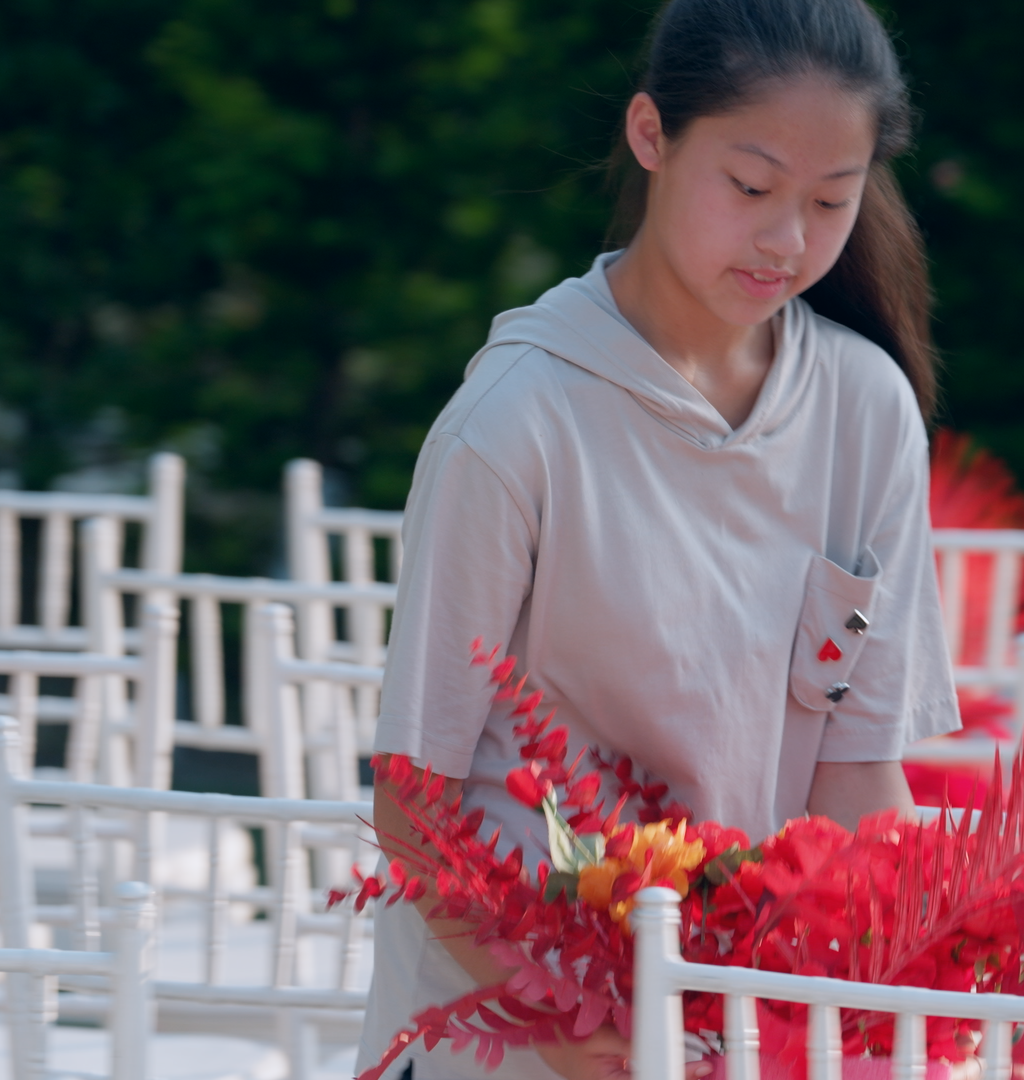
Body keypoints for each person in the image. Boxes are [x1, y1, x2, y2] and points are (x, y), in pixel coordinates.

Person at [356, 0, 958, 1074]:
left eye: (831, 200)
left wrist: (939, 991)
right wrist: (567, 1029)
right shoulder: (516, 423)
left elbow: (859, 782)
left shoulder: (867, 410)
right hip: (513, 1024)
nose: (788, 240)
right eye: (751, 187)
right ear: (651, 134)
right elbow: (415, 804)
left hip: (742, 1018)